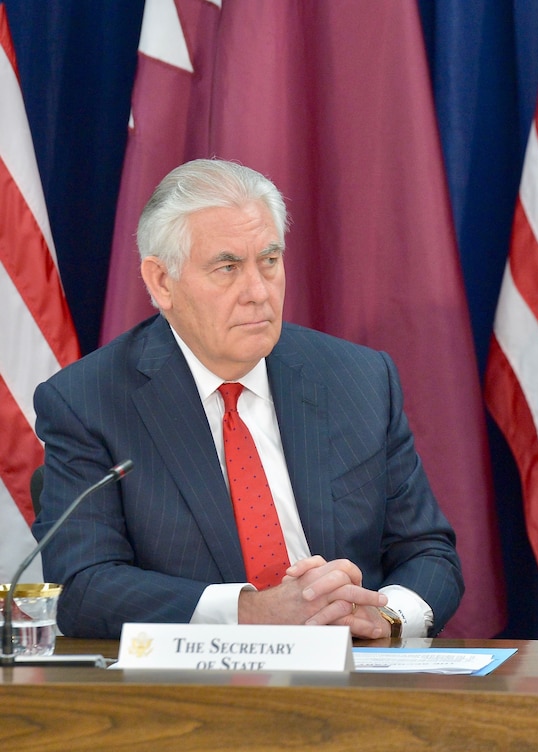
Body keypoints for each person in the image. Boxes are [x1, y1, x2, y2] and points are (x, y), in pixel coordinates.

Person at [33, 158, 463, 639]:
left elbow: (428, 552)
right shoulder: (88, 402)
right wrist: (250, 611)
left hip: (356, 674)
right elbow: (82, 586)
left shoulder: (359, 379)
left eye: (270, 261)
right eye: (228, 267)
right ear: (161, 282)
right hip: (199, 695)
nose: (258, 292)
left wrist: (384, 617)